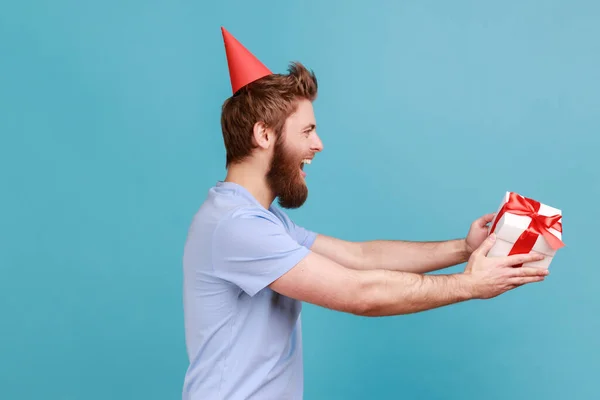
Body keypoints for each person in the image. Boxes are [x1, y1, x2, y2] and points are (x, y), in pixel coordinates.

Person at [181, 27, 549, 400]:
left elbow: (360, 258)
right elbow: (360, 293)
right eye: (307, 131)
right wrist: (469, 285)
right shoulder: (237, 226)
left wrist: (464, 248)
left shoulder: (262, 220)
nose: (318, 144)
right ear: (264, 135)